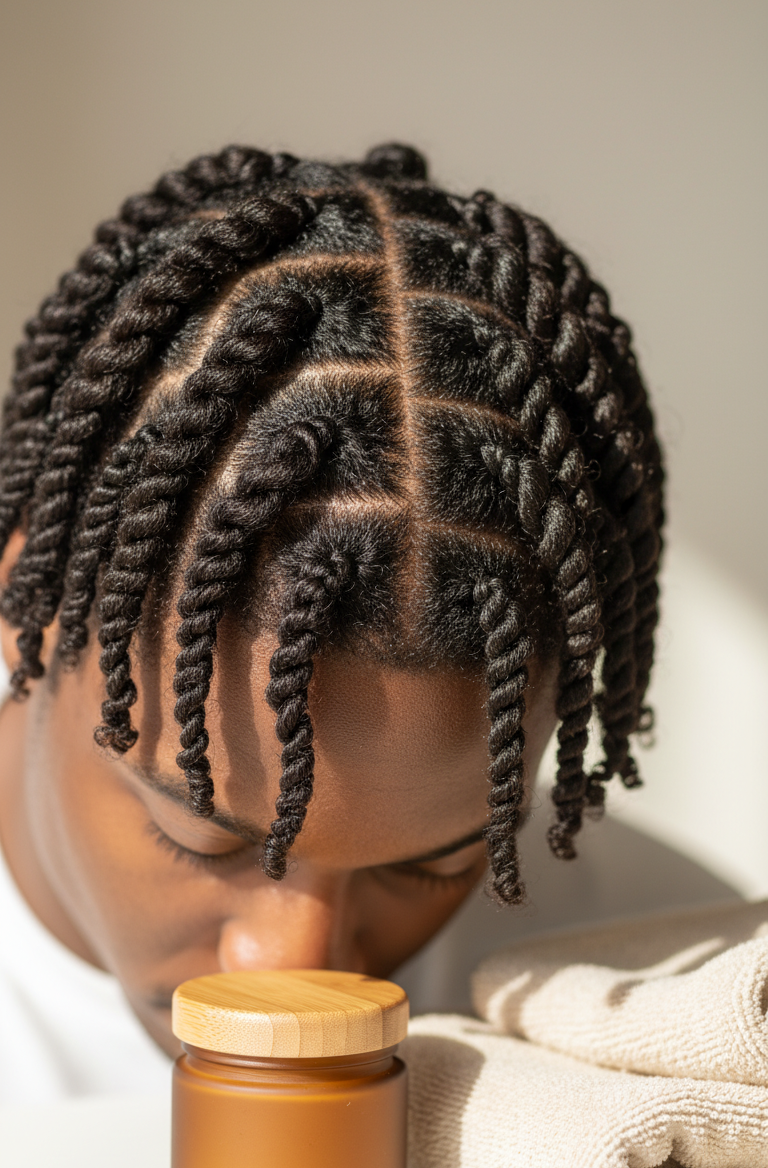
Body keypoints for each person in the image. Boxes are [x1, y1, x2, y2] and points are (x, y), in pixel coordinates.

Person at [0, 142, 664, 1102]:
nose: (290, 971)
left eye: (435, 866)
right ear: (26, 606)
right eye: (200, 837)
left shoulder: (649, 1002)